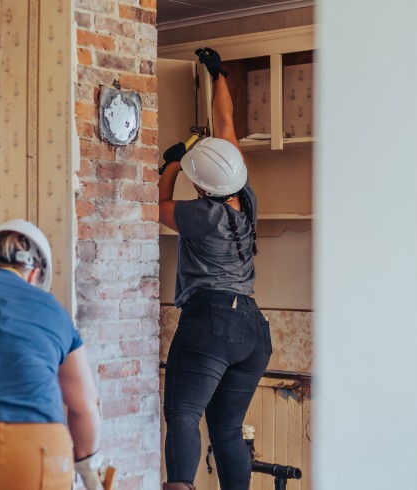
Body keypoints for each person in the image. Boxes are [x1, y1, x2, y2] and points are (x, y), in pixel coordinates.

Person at [159, 48, 273, 490]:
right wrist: (218, 76)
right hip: (252, 329)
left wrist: (170, 165)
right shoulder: (245, 197)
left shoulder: (200, 215)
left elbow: (158, 206)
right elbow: (226, 129)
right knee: (226, 431)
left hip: (211, 321)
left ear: (201, 184)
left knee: (184, 414)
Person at [0, 219, 107, 490]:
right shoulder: (54, 311)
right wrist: (89, 473)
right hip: (41, 447)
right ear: (35, 275)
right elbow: (84, 406)